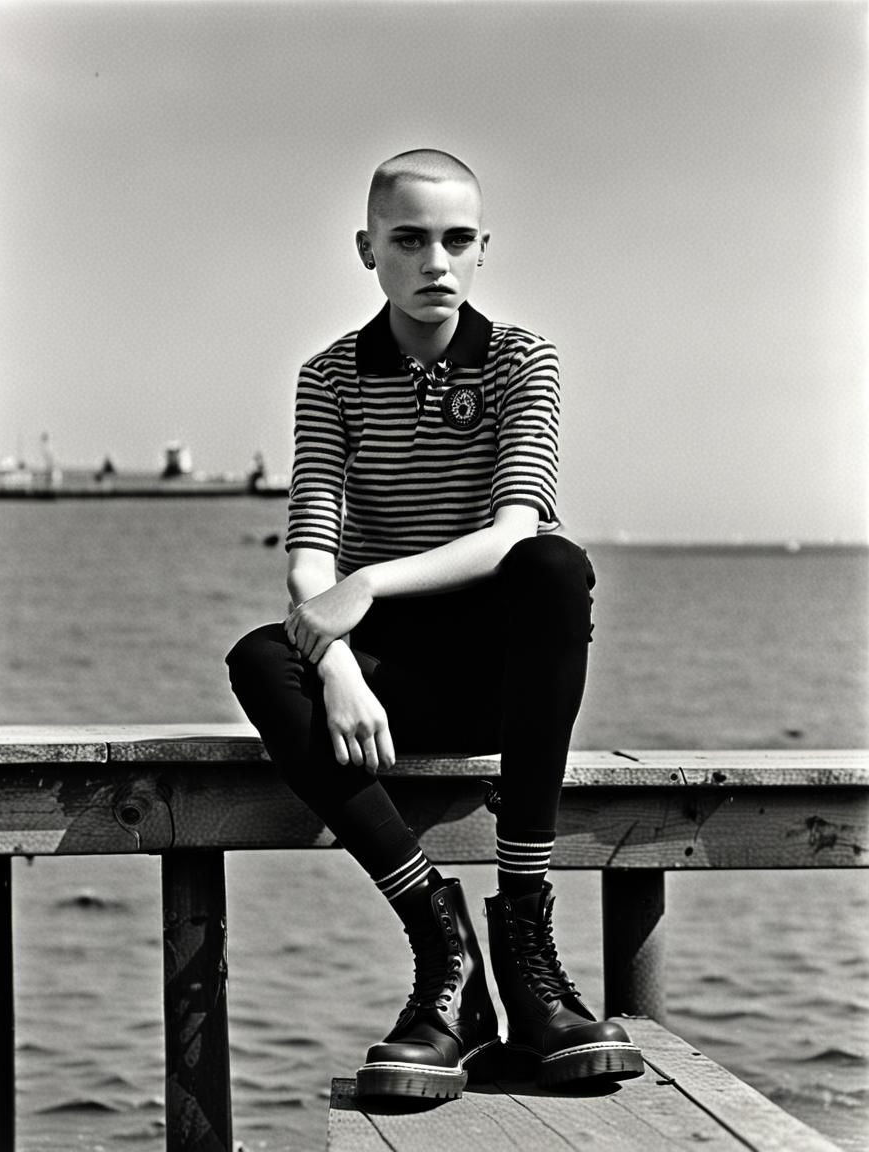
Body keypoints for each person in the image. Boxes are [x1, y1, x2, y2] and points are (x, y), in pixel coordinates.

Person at [226, 149, 644, 1100]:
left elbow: (508, 533)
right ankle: (443, 955)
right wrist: (333, 662)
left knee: (553, 563)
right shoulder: (330, 376)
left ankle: (529, 944)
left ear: (484, 249)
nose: (434, 262)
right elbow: (309, 562)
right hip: (381, 697)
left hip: (503, 684)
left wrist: (367, 583)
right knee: (260, 659)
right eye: (408, 240)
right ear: (367, 248)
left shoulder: (520, 359)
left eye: (456, 240)